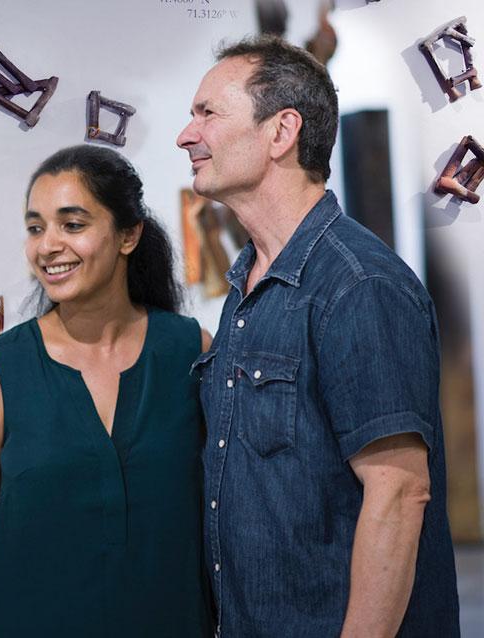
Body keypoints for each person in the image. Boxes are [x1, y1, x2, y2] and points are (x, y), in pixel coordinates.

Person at [176, 36, 460, 636]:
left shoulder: (359, 286)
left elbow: (399, 494)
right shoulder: (249, 286)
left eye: (207, 114)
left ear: (280, 133)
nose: (186, 135)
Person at [0, 145, 213, 637]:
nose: (47, 246)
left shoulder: (191, 351)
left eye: (72, 224)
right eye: (36, 227)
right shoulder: (0, 369)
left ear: (128, 235)